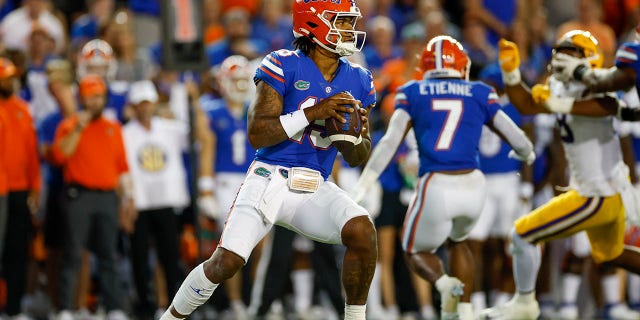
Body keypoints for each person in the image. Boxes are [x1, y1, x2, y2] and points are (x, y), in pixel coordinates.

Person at [160, 1, 378, 319]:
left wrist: (350, 137)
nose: (349, 30)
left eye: (349, 22)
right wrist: (313, 113)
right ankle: (169, 318)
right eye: (341, 22)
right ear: (315, 25)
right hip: (270, 177)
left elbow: (359, 156)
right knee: (227, 262)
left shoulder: (359, 79)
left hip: (316, 184)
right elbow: (258, 133)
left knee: (362, 231)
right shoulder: (283, 63)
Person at [351, 35, 535, 320]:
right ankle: (464, 311)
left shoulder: (413, 91)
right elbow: (517, 138)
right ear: (462, 66)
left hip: (437, 182)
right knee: (458, 242)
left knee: (414, 250)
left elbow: (390, 142)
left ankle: (445, 285)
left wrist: (366, 181)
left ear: (425, 67)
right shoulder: (479, 91)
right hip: (474, 184)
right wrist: (524, 154)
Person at [479, 31, 640, 320]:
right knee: (612, 254)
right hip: (597, 191)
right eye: (560, 51)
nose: (561, 57)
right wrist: (511, 73)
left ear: (588, 57)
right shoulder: (559, 85)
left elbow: (602, 107)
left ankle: (524, 304)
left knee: (522, 234)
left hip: (597, 194)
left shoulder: (599, 84)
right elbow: (526, 105)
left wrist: (555, 104)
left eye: (572, 52)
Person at [122, 80, 211, 320]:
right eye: (140, 104)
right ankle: (145, 308)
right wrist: (126, 202)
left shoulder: (169, 127)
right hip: (139, 204)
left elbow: (200, 137)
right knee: (139, 260)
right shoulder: (125, 133)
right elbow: (123, 170)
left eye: (148, 103)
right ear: (133, 106)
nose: (144, 108)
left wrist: (193, 102)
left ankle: (175, 307)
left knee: (171, 257)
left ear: (154, 103)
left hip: (168, 201)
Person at [51, 74, 133, 320]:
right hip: (79, 196)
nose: (95, 101)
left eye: (98, 96)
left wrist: (127, 200)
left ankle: (114, 308)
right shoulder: (69, 124)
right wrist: (79, 127)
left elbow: (122, 167)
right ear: (82, 98)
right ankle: (66, 308)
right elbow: (60, 156)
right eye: (90, 96)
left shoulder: (113, 128)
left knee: (109, 255)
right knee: (73, 254)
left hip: (108, 196)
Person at [0, 57, 41, 319]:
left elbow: (30, 152)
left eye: (11, 76)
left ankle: (14, 310)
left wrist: (34, 186)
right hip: (0, 190)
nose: (10, 81)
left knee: (17, 251)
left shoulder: (23, 109)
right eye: (5, 77)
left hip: (20, 190)